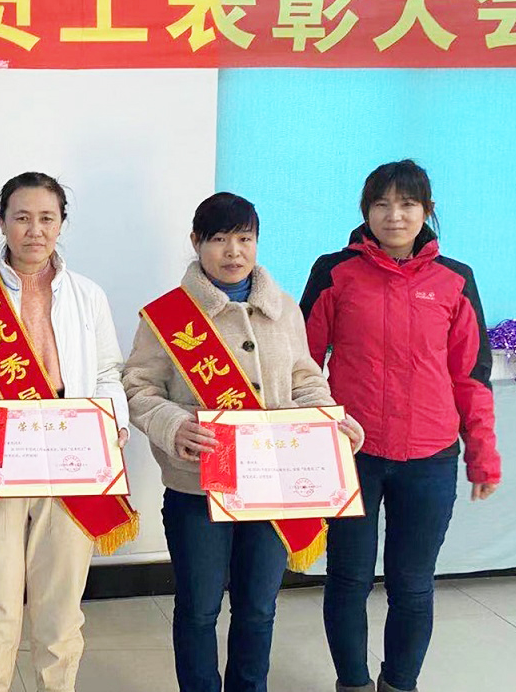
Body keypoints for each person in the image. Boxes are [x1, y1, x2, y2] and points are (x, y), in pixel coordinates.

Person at [122, 192, 363, 692]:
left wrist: (327, 422)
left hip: (272, 486)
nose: (233, 251)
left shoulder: (283, 309)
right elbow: (138, 388)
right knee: (199, 608)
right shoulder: (169, 316)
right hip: (197, 488)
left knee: (258, 607)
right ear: (196, 242)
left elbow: (305, 380)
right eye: (219, 239)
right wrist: (173, 423)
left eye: (244, 238)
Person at [0, 172, 136, 692]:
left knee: (60, 610)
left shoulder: (88, 295)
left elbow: (108, 373)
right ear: (2, 223)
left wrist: (113, 422)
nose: (34, 230)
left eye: (47, 218)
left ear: (62, 223)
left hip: (72, 460)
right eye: (21, 217)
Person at [300, 160, 501, 692]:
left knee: (412, 584)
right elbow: (301, 364)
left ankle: (399, 684)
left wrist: (483, 455)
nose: (395, 216)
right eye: (382, 204)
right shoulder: (335, 271)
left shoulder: (456, 279)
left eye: (408, 204)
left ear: (426, 210)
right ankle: (353, 683)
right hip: (352, 453)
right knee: (348, 579)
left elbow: (471, 375)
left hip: (430, 458)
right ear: (365, 211)